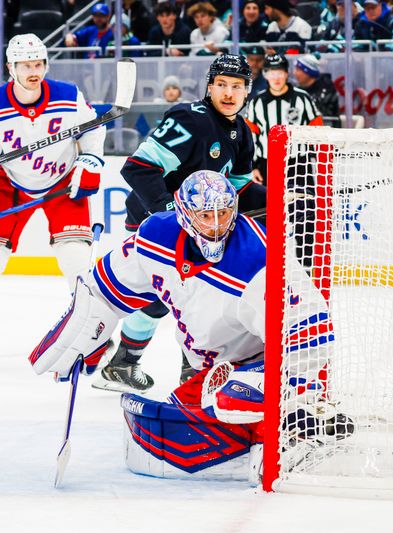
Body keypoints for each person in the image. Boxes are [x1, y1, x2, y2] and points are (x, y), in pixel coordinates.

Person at [29, 171, 339, 471]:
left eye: (224, 212)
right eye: (206, 215)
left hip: (271, 365)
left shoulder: (259, 260)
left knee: (234, 403)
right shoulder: (155, 238)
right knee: (174, 427)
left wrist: (266, 382)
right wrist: (90, 326)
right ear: (184, 214)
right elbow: (103, 290)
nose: (217, 225)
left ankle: (298, 424)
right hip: (212, 370)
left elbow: (313, 334)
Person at [92, 54, 261, 393]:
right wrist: (174, 216)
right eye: (222, 85)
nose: (229, 93)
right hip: (155, 223)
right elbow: (138, 168)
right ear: (209, 87)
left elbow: (240, 186)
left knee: (177, 296)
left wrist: (281, 199)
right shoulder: (191, 120)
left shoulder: (241, 131)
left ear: (247, 92)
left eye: (237, 87)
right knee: (182, 294)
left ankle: (127, 364)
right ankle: (181, 370)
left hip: (195, 227)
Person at [0, 34, 106, 361]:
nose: (34, 71)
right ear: (10, 68)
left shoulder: (67, 95)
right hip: (10, 182)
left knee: (75, 259)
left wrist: (90, 160)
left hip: (61, 181)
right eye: (25, 65)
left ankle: (93, 331)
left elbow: (93, 127)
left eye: (38, 64)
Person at [246, 53, 321, 184]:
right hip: (267, 163)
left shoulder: (302, 98)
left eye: (280, 72)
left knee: (302, 203)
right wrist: (252, 166)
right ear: (265, 74)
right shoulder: (256, 102)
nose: (276, 78)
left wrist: (318, 159)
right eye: (272, 73)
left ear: (287, 74)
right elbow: (250, 137)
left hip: (299, 162)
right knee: (269, 204)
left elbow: (317, 129)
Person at [293, 54, 339, 121]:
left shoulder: (326, 89)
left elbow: (324, 117)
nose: (294, 73)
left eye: (298, 70)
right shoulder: (298, 90)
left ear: (308, 71)